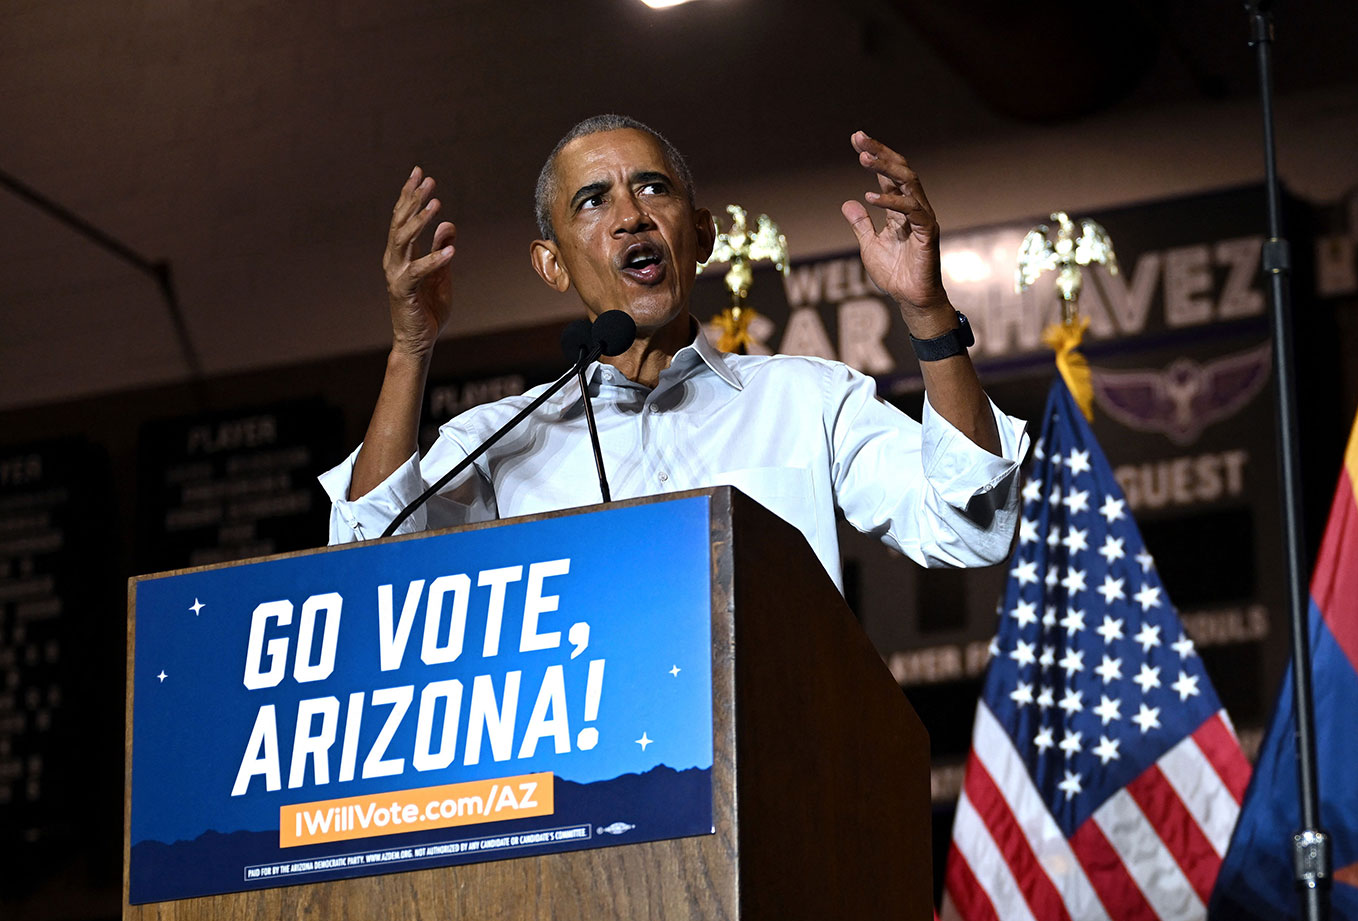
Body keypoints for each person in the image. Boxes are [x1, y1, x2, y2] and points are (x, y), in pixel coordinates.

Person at [320, 114, 1028, 589]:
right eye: (593, 201)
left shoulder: (807, 399)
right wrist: (411, 347)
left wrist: (927, 313)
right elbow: (366, 574)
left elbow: (966, 526)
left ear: (701, 234)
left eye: (652, 188)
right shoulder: (501, 439)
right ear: (552, 266)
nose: (632, 215)